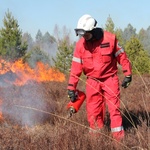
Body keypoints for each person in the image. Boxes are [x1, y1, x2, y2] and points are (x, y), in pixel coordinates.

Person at [67, 14, 132, 140]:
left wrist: (127, 74)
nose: (84, 37)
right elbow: (75, 68)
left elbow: (122, 56)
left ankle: (118, 140)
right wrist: (71, 87)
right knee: (93, 111)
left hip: (110, 79)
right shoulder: (81, 45)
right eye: (82, 35)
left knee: (114, 110)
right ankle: (97, 140)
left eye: (86, 34)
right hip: (92, 82)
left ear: (92, 30)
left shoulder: (110, 39)